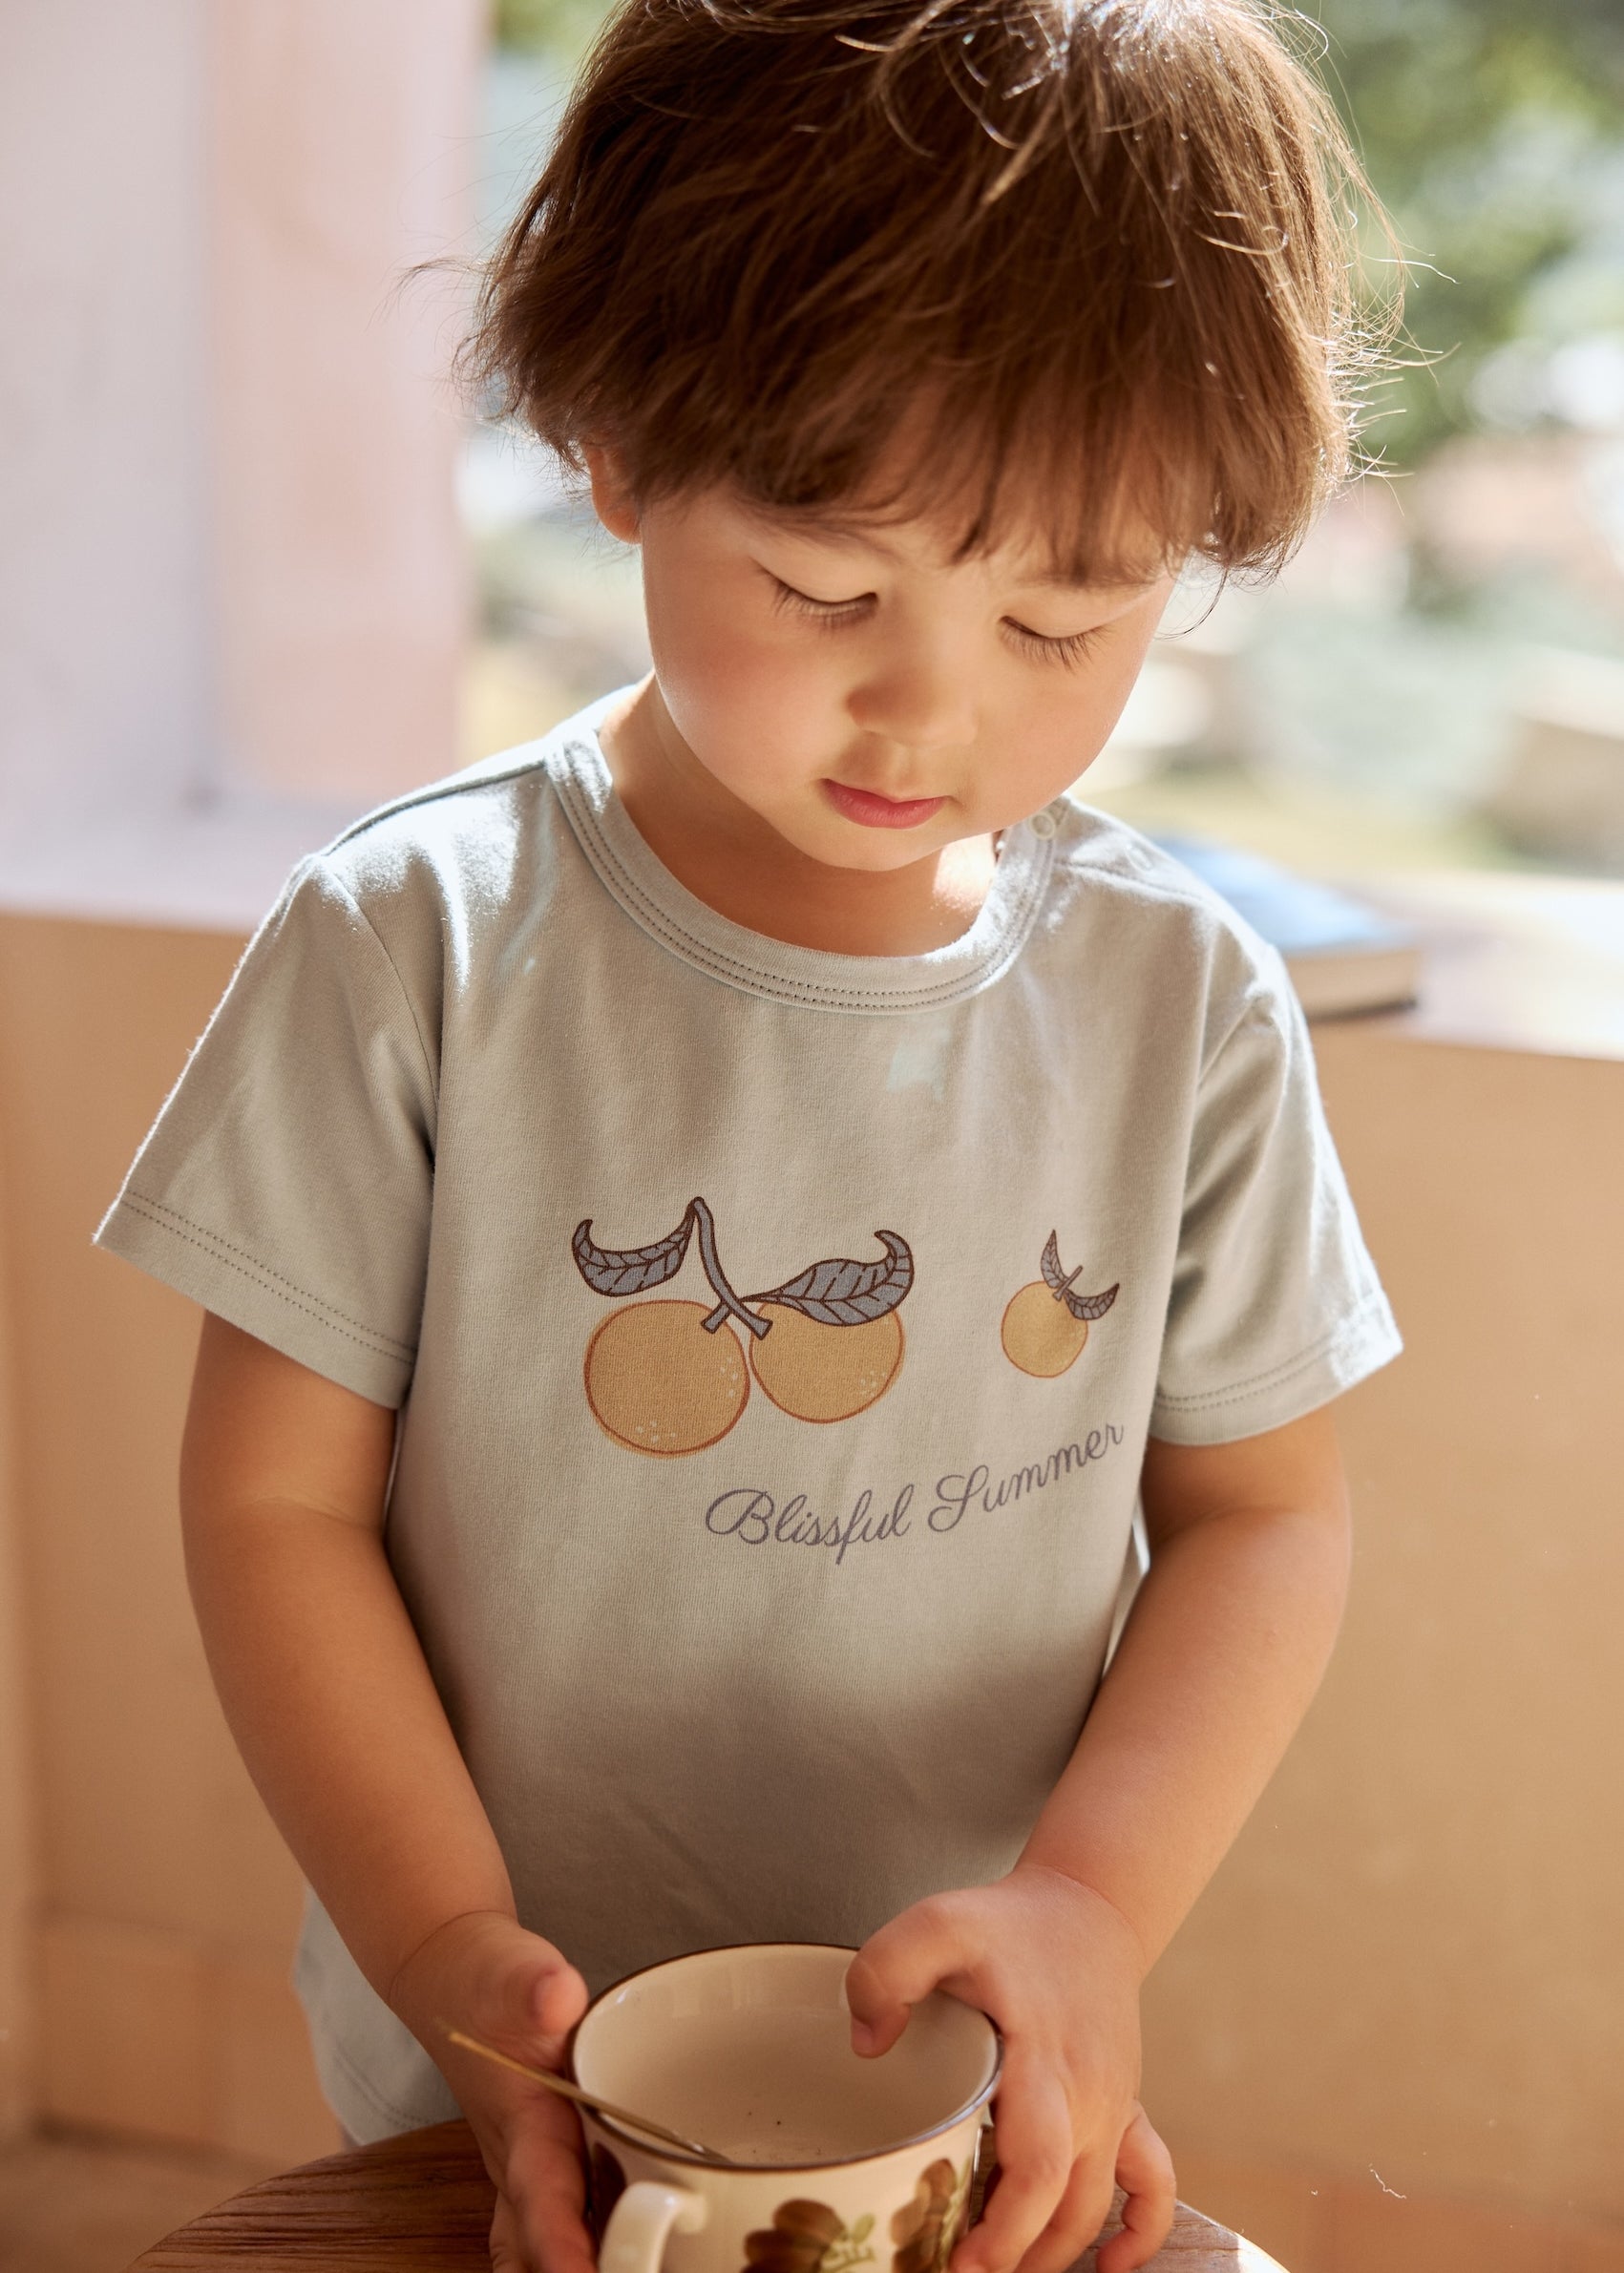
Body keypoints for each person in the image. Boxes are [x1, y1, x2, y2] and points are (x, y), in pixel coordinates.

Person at [97, 4, 1403, 2269]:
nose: (935, 704)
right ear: (613, 441)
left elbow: (1261, 1518)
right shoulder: (415, 941)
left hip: (958, 2103)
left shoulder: (1176, 1001)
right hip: (517, 2078)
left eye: (1060, 618)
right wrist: (440, 1945)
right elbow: (274, 1504)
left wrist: (1085, 1913)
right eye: (824, 589)